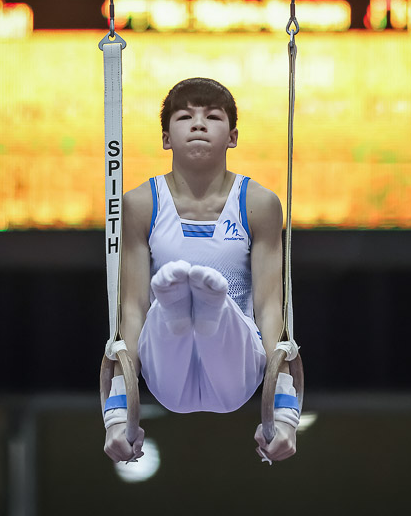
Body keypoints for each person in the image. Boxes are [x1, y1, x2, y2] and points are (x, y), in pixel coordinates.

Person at [102, 77, 299, 464]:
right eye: (184, 117)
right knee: (158, 314)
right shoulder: (140, 205)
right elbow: (133, 310)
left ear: (232, 137)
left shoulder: (258, 204)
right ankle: (183, 309)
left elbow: (270, 308)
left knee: (219, 315)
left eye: (212, 116)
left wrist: (284, 410)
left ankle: (208, 310)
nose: (198, 124)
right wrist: (118, 412)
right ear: (166, 138)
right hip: (167, 377)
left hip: (236, 371)